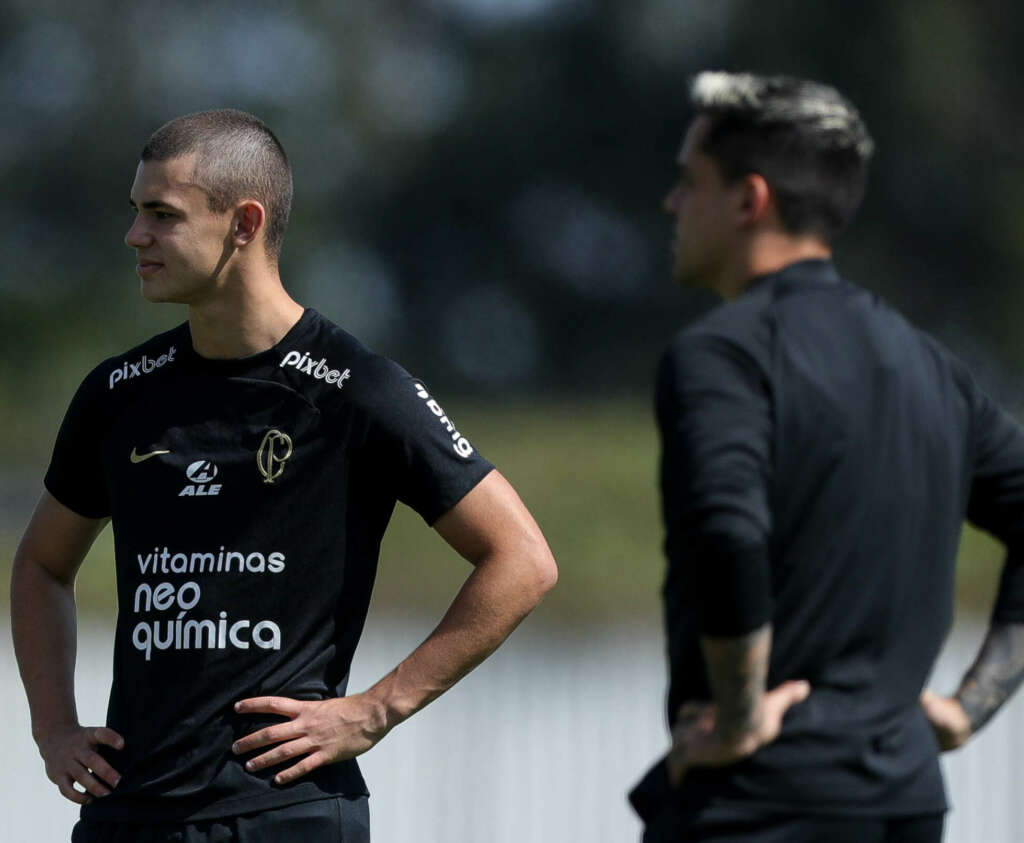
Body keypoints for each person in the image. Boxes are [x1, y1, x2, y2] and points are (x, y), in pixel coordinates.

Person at [11, 109, 557, 842]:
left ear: (244, 222)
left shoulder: (358, 388)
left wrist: (376, 708)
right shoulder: (119, 394)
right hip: (128, 812)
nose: (133, 236)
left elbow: (522, 560)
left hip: (284, 813)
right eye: (136, 212)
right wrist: (52, 727)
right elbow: (43, 563)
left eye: (160, 214)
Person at [629, 71, 1024, 842]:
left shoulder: (720, 354)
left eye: (689, 182)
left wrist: (738, 720)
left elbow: (727, 530)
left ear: (750, 200)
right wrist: (970, 707)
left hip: (762, 803)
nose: (672, 204)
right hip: (905, 805)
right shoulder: (930, 364)